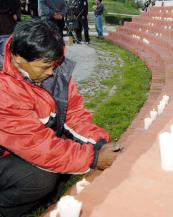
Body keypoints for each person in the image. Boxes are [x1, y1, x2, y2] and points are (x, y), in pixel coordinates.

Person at [0, 19, 121, 217]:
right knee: (40, 177)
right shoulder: (3, 90)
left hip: (19, 142)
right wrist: (95, 158)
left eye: (55, 64)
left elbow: (72, 115)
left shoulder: (51, 65)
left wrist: (100, 144)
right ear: (17, 58)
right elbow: (38, 146)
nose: (51, 72)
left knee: (66, 152)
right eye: (45, 66)